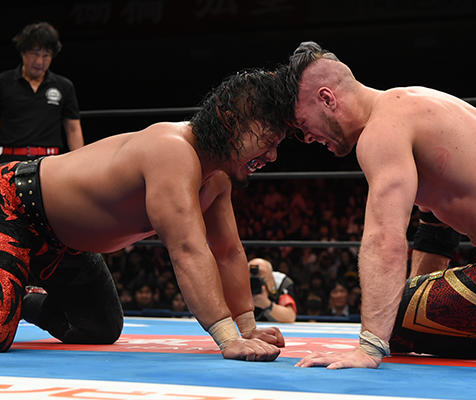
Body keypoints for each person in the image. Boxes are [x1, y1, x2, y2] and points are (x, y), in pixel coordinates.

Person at [281, 41, 476, 369]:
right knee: (400, 312)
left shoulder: (380, 133)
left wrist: (372, 346)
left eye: (304, 127)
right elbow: (436, 230)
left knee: (389, 316)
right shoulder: (414, 102)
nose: (309, 139)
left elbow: (384, 239)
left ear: (327, 99)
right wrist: (416, 298)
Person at [0, 68, 293, 362]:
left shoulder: (217, 179)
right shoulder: (172, 150)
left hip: (63, 243)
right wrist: (228, 339)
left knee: (99, 327)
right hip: (13, 204)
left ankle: (23, 299)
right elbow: (187, 249)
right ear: (231, 122)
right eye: (268, 141)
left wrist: (247, 329)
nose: (272, 156)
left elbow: (228, 252)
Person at [0, 22, 84, 162]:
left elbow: (73, 129)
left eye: (46, 56)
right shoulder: (3, 82)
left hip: (49, 162)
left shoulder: (64, 86)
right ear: (23, 52)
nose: (39, 61)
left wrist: (80, 162)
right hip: (10, 160)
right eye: (35, 54)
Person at [248, 258, 297, 323]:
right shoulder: (239, 282)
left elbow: (290, 317)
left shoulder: (281, 282)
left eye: (260, 278)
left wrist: (266, 304)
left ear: (271, 277)